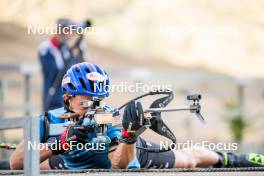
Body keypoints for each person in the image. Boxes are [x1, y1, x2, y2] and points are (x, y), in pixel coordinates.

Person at [9, 62, 264, 170]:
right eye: (86, 101)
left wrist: (129, 136)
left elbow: (120, 164)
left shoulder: (105, 118)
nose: (94, 107)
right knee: (39, 165)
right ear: (67, 97)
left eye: (99, 100)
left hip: (128, 152)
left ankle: (233, 159)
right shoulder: (48, 120)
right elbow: (16, 163)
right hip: (75, 162)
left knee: (188, 161)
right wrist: (61, 144)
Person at [38, 18, 90, 111]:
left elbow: (80, 71)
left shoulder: (66, 49)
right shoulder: (46, 48)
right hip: (52, 99)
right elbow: (53, 71)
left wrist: (78, 51)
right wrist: (69, 51)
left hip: (68, 99)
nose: (68, 35)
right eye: (66, 31)